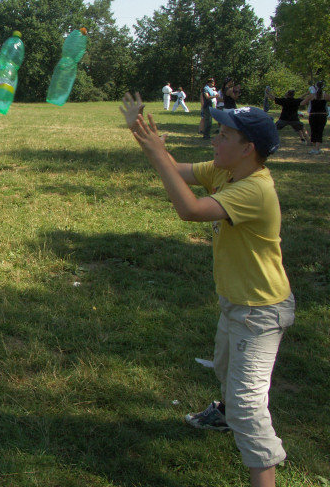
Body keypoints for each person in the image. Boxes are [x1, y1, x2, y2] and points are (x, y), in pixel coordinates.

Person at [120, 94, 294, 487]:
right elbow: (176, 170)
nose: (214, 140)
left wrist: (156, 150)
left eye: (224, 135)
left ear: (248, 149)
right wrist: (142, 135)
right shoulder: (224, 171)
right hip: (236, 302)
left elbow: (191, 210)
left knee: (249, 407)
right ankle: (225, 413)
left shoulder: (255, 189)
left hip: (260, 312)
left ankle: (262, 472)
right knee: (225, 367)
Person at [301, 80, 329, 154]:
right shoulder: (325, 95)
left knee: (313, 131)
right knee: (320, 131)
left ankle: (314, 148)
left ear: (315, 87)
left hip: (313, 115)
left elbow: (302, 103)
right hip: (322, 115)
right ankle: (317, 148)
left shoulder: (312, 96)